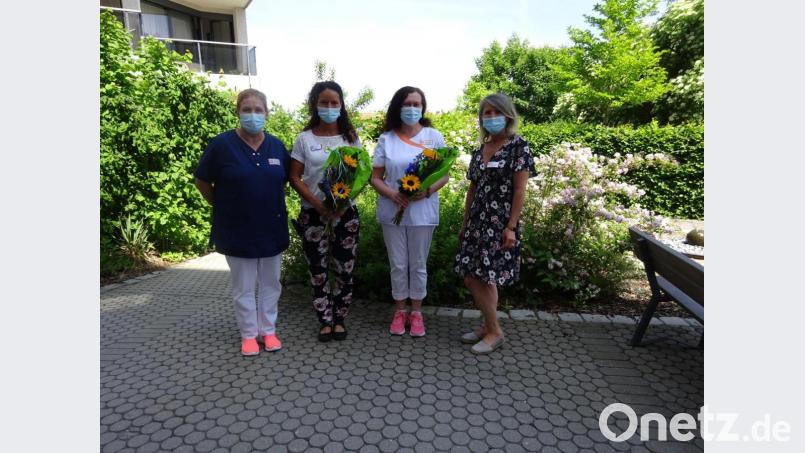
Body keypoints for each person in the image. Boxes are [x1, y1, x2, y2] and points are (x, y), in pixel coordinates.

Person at [193, 88, 290, 356]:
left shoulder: (277, 146)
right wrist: (219, 204)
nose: (253, 115)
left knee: (271, 283)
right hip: (236, 228)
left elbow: (281, 181)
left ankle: (268, 331)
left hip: (271, 227)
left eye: (258, 110)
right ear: (238, 113)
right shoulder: (221, 145)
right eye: (247, 110)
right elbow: (201, 179)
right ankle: (249, 334)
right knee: (244, 286)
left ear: (267, 113)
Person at [454, 93, 536, 354]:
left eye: (495, 112)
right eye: (486, 113)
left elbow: (520, 191)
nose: (491, 118)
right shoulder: (480, 150)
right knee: (476, 277)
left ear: (508, 115)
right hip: (477, 222)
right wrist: (464, 223)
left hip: (499, 224)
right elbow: (472, 189)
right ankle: (488, 325)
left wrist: (511, 227)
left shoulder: (518, 147)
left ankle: (495, 331)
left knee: (482, 278)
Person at [370, 86, 449, 337]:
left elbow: (444, 174)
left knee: (417, 264)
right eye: (407, 104)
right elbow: (375, 177)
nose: (412, 109)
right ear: (397, 107)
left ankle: (416, 313)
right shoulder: (387, 138)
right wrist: (393, 194)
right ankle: (399, 311)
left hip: (423, 212)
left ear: (423, 108)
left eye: (417, 104)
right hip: (392, 210)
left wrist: (425, 192)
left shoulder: (433, 136)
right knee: (397, 264)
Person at [289, 81, 363, 343]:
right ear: (315, 105)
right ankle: (324, 320)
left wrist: (343, 203)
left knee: (344, 269)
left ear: (341, 106)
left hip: (345, 215)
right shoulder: (304, 138)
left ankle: (340, 318)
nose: (329, 107)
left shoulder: (351, 138)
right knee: (318, 270)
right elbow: (295, 177)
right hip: (313, 213)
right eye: (324, 103)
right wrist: (319, 204)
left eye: (334, 103)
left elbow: (362, 175)